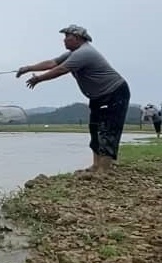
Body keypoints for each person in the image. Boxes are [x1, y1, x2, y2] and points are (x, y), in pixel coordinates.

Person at [16, 25, 130, 172]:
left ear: (77, 38)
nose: (64, 40)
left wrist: (38, 79)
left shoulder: (84, 52)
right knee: (94, 129)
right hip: (98, 96)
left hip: (114, 92)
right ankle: (96, 165)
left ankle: (104, 169)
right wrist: (28, 68)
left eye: (67, 37)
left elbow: (61, 69)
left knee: (108, 129)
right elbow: (52, 63)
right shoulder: (72, 53)